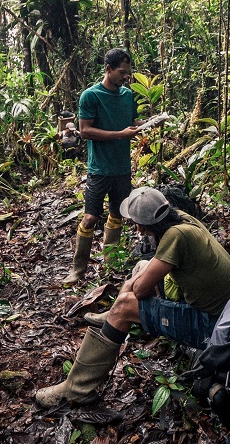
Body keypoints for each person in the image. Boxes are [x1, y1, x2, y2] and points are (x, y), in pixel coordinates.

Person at [36, 186, 230, 407]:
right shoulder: (182, 220)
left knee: (127, 305)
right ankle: (113, 316)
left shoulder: (176, 236)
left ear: (141, 226)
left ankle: (77, 389)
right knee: (142, 266)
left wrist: (127, 292)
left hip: (216, 326)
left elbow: (141, 291)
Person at [62, 48, 142, 286]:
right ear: (108, 69)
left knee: (117, 215)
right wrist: (120, 134)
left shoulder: (127, 96)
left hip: (122, 168)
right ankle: (78, 270)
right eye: (121, 72)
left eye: (128, 73)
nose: (125, 77)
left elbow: (131, 123)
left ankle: (110, 268)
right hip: (99, 169)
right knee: (89, 218)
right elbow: (85, 131)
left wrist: (146, 124)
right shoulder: (90, 96)